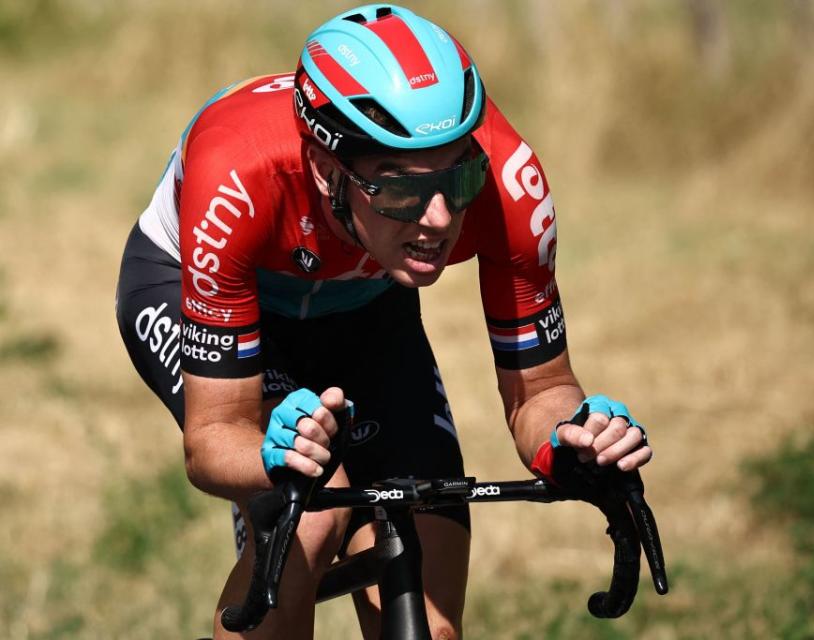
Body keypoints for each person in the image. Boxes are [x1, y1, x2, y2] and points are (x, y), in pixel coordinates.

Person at [115, 4, 653, 639]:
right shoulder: (238, 174)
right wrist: (274, 458)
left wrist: (572, 441)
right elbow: (213, 440)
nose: (436, 220)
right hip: (210, 295)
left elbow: (538, 391)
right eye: (399, 189)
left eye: (457, 179)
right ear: (325, 168)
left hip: (367, 308)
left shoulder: (509, 183)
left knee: (431, 618)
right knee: (312, 518)